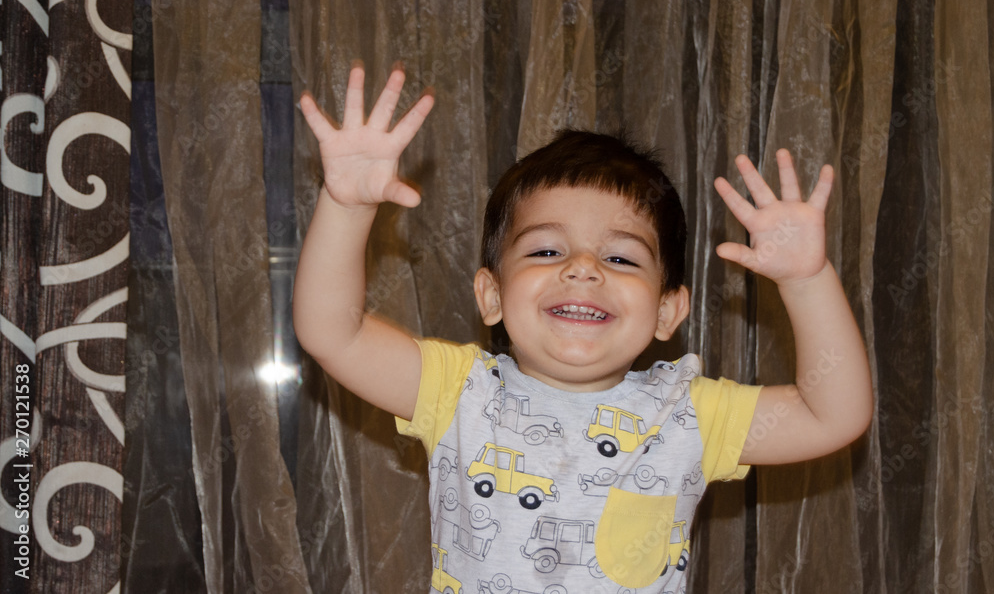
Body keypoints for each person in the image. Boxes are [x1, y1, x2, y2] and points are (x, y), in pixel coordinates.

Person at [293, 66, 872, 594]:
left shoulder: (688, 414)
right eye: (547, 250)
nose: (583, 268)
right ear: (492, 295)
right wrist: (346, 206)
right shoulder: (457, 391)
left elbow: (834, 415)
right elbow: (331, 331)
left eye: (621, 259)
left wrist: (807, 279)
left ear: (669, 311)